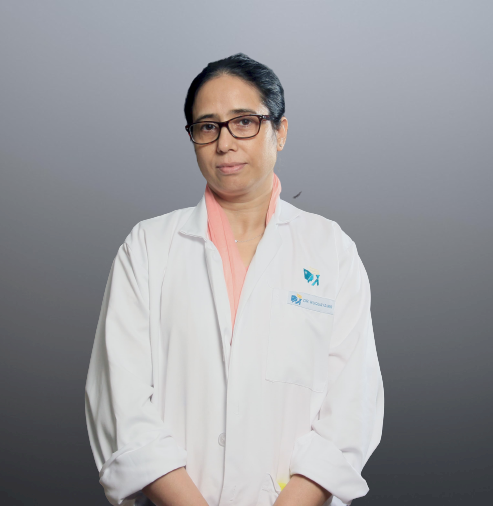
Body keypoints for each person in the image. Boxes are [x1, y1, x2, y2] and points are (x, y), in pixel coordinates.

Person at [85, 53, 384, 506]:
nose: (224, 143)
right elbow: (120, 403)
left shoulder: (331, 250)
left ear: (280, 131)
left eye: (244, 122)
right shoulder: (147, 247)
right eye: (207, 127)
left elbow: (351, 408)